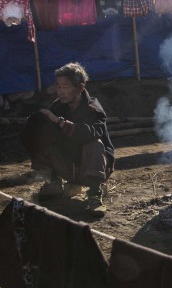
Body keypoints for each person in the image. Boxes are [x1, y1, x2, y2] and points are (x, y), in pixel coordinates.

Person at [19, 63, 114, 215]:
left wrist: (60, 122)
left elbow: (90, 133)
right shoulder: (58, 107)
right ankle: (54, 182)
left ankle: (95, 194)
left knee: (94, 143)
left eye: (65, 86)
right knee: (42, 130)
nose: (61, 92)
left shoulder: (93, 108)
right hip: (68, 168)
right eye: (58, 87)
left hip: (92, 170)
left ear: (80, 87)